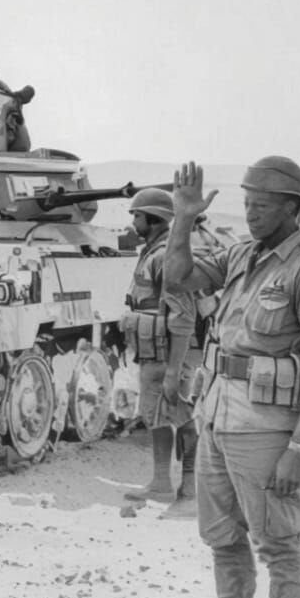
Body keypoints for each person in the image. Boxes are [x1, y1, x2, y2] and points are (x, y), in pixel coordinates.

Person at [162, 157, 300, 598]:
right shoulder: (242, 253)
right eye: (247, 203)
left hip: (266, 427)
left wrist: (299, 447)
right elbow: (177, 277)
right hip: (218, 414)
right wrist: (183, 218)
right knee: (222, 537)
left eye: (262, 205)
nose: (251, 213)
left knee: (280, 546)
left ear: (294, 209)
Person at [120, 188, 200, 519]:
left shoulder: (164, 257)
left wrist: (173, 370)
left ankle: (191, 489)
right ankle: (161, 482)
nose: (133, 222)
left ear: (153, 219)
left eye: (137, 215)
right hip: (154, 353)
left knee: (182, 417)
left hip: (169, 354)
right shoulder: (152, 252)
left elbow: (183, 317)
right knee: (156, 416)